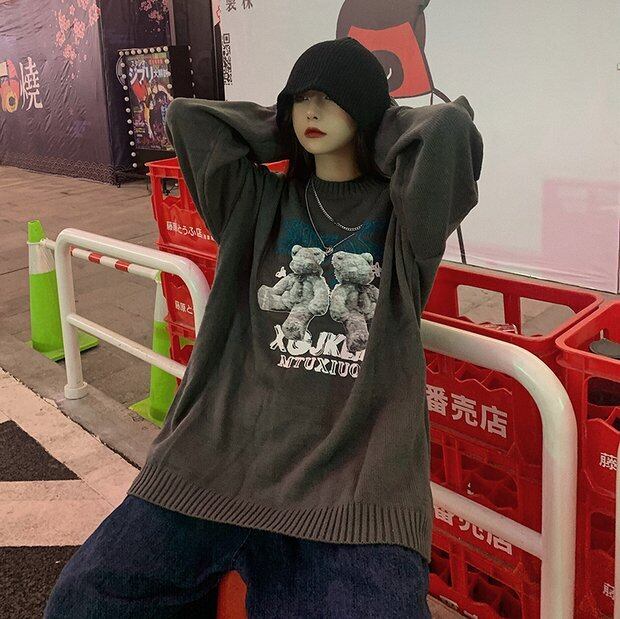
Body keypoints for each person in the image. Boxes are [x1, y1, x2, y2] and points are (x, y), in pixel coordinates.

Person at [44, 37, 483, 618]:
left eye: (331, 98)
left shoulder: (405, 221)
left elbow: (449, 131)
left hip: (353, 485)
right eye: (301, 98)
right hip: (218, 460)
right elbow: (188, 119)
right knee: (82, 601)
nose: (311, 110)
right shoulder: (255, 204)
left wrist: (377, 121)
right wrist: (282, 125)